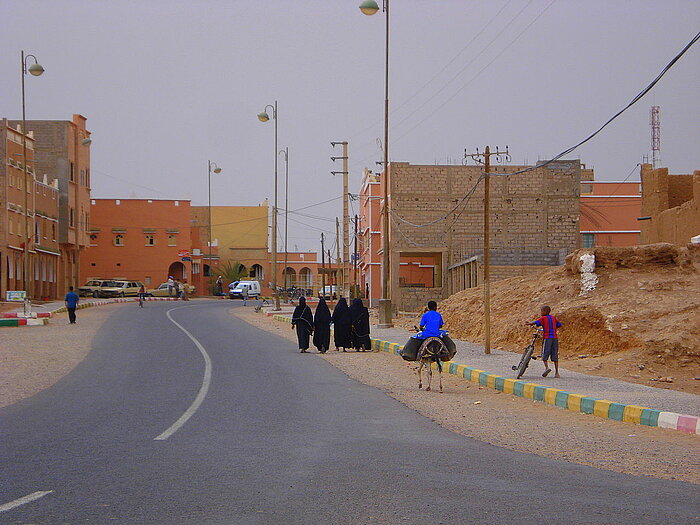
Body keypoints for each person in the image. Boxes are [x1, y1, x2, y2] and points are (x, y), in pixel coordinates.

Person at [527, 305, 563, 378]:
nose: (540, 312)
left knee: (545, 353)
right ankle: (556, 372)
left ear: (545, 311)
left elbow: (536, 322)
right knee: (554, 354)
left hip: (547, 337)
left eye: (541, 311)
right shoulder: (553, 318)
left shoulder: (543, 318)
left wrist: (529, 323)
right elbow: (559, 325)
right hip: (554, 338)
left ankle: (547, 367)